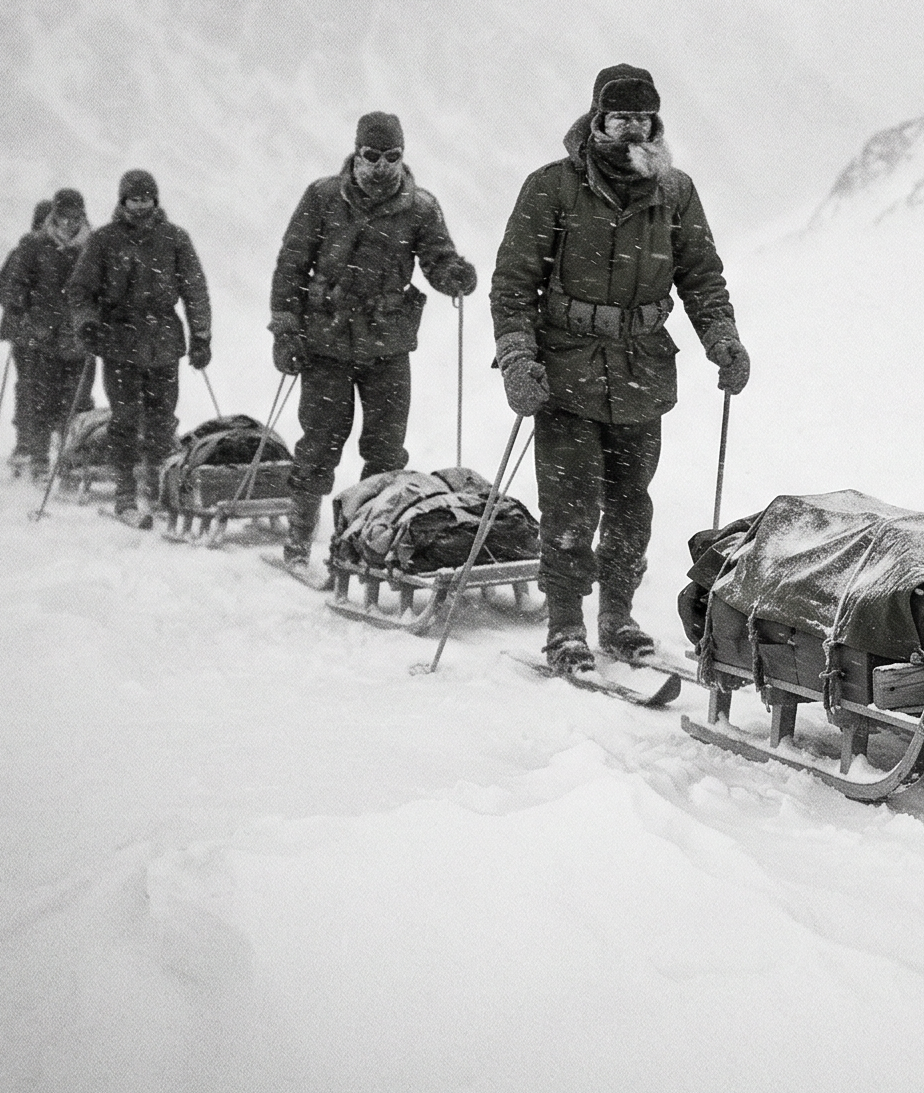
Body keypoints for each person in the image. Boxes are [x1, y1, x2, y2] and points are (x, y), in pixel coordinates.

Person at [491, 64, 749, 672]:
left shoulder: (676, 192)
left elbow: (702, 278)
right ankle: (563, 627)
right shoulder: (550, 187)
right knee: (571, 503)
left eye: (644, 118)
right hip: (565, 370)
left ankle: (617, 617)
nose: (633, 128)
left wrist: (723, 339)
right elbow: (513, 283)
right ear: (598, 119)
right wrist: (517, 358)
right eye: (621, 117)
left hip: (642, 372)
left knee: (632, 501)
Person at [269, 112, 477, 571]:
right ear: (356, 152)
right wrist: (286, 330)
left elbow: (437, 259)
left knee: (386, 453)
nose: (381, 166)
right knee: (320, 444)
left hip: (388, 347)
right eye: (372, 155)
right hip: (324, 345)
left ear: (403, 156)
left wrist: (454, 276)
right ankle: (299, 542)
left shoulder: (421, 207)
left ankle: (362, 545)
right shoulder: (322, 197)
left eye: (392, 156)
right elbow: (291, 265)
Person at [66, 168, 212, 527]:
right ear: (122, 201)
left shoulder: (175, 239)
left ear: (155, 200)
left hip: (164, 340)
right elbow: (80, 290)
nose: (140, 206)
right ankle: (125, 494)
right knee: (126, 420)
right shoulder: (103, 241)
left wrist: (202, 336)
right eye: (134, 199)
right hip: (118, 341)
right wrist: (87, 322)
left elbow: (195, 290)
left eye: (146, 199)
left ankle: (157, 486)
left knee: (163, 422)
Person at [0, 190, 97, 477]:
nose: (68, 223)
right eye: (62, 217)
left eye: (74, 217)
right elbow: (6, 287)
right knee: (37, 394)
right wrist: (26, 311)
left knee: (76, 401)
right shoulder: (31, 248)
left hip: (78, 338)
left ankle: (66, 457)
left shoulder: (96, 246)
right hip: (39, 338)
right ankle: (35, 452)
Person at [0, 200, 52, 474]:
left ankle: (29, 442)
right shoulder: (24, 253)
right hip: (29, 334)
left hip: (34, 333)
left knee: (30, 386)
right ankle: (30, 442)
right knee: (33, 386)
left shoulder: (23, 252)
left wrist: (18, 304)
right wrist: (21, 304)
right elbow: (0, 287)